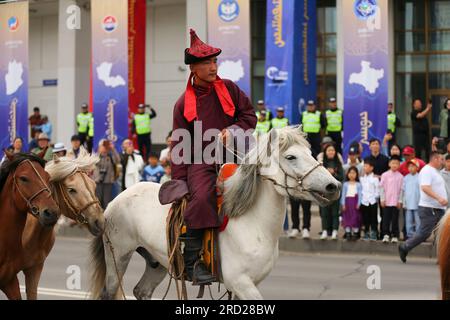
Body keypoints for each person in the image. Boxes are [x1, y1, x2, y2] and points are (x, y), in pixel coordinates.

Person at [170, 29, 257, 284]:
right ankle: (193, 262)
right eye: (207, 62)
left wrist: (233, 130)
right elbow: (180, 146)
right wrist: (180, 183)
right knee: (201, 198)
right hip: (202, 161)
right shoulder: (181, 105)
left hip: (235, 156)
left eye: (214, 61)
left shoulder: (229, 88)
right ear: (193, 69)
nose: (213, 66)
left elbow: (249, 117)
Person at [399, 152, 448, 263]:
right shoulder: (427, 170)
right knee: (424, 233)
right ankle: (405, 247)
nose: (442, 162)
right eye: (441, 159)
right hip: (429, 208)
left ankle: (441, 258)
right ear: (435, 159)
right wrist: (439, 198)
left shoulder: (435, 171)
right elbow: (425, 187)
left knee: (442, 233)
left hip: (439, 208)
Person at [320, 144, 344, 240]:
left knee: (335, 213)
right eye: (329, 150)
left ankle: (334, 231)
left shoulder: (338, 164)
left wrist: (334, 173)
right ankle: (325, 231)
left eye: (332, 150)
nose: (331, 152)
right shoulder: (322, 165)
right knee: (324, 213)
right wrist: (326, 173)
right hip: (324, 193)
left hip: (335, 193)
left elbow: (341, 178)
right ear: (325, 152)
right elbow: (319, 178)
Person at [379, 156, 404, 243]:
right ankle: (386, 234)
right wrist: (382, 199)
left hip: (395, 202)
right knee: (385, 219)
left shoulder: (400, 177)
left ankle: (395, 235)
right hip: (386, 201)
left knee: (395, 219)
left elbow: (401, 190)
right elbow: (381, 188)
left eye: (396, 163)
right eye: (393, 163)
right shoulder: (385, 175)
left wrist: (400, 201)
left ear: (399, 165)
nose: (394, 165)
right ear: (389, 164)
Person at [94, 139, 120, 209]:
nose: (105, 147)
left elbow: (118, 160)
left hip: (108, 182)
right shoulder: (96, 156)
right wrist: (100, 152)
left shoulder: (111, 156)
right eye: (103, 145)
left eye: (106, 146)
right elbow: (94, 161)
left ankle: (106, 218)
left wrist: (113, 149)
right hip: (98, 182)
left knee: (107, 201)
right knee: (98, 200)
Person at [340, 167, 362, 241]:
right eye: (350, 173)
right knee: (347, 218)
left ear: (357, 174)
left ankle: (355, 233)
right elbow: (343, 194)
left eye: (354, 173)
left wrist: (359, 203)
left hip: (355, 203)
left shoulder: (358, 184)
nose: (352, 175)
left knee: (355, 217)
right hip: (347, 203)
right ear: (347, 174)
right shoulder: (345, 184)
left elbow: (360, 195)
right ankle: (348, 232)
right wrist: (343, 204)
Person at [360, 159, 379, 241]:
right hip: (364, 201)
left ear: (371, 168)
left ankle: (374, 233)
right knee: (365, 218)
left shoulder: (375, 179)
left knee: (373, 218)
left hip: (372, 201)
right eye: (364, 166)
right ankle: (366, 232)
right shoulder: (361, 178)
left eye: (367, 166)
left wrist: (375, 198)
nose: (365, 168)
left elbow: (377, 190)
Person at [402, 159, 421, 240]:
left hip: (418, 203)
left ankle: (418, 235)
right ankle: (410, 235)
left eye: (413, 166)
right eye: (409, 166)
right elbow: (403, 191)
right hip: (408, 203)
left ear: (417, 168)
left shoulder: (420, 177)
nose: (410, 168)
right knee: (408, 221)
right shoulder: (405, 178)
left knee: (418, 221)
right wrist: (403, 202)